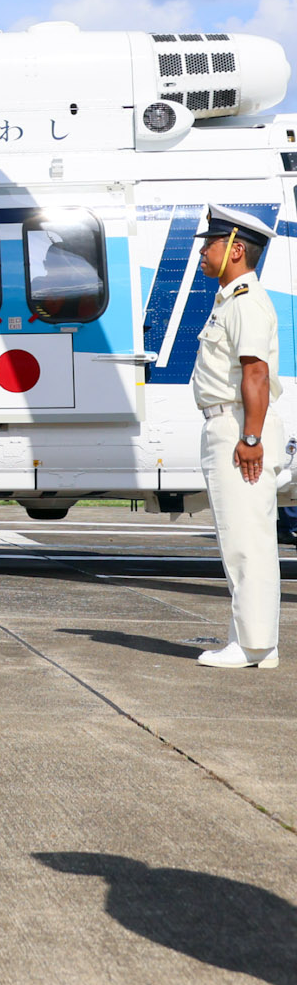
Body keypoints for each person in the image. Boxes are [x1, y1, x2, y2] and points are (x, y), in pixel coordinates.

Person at [190, 206, 282, 669]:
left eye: (209, 244)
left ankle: (253, 646)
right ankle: (256, 643)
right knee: (247, 539)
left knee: (245, 540)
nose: (202, 252)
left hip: (236, 425)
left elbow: (256, 373)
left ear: (235, 249)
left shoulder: (244, 299)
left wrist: (250, 437)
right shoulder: (232, 298)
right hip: (231, 422)